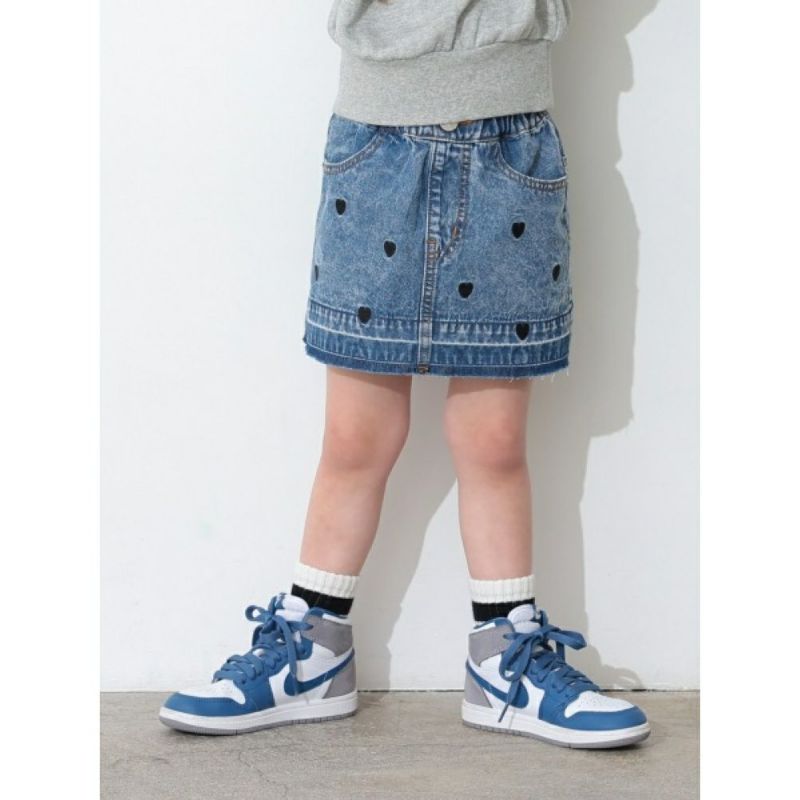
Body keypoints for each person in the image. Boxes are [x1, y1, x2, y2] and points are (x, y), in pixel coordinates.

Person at [159, 0, 650, 749]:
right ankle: (313, 649)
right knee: (355, 438)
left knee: (493, 441)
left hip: (513, 146)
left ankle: (504, 659)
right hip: (374, 147)